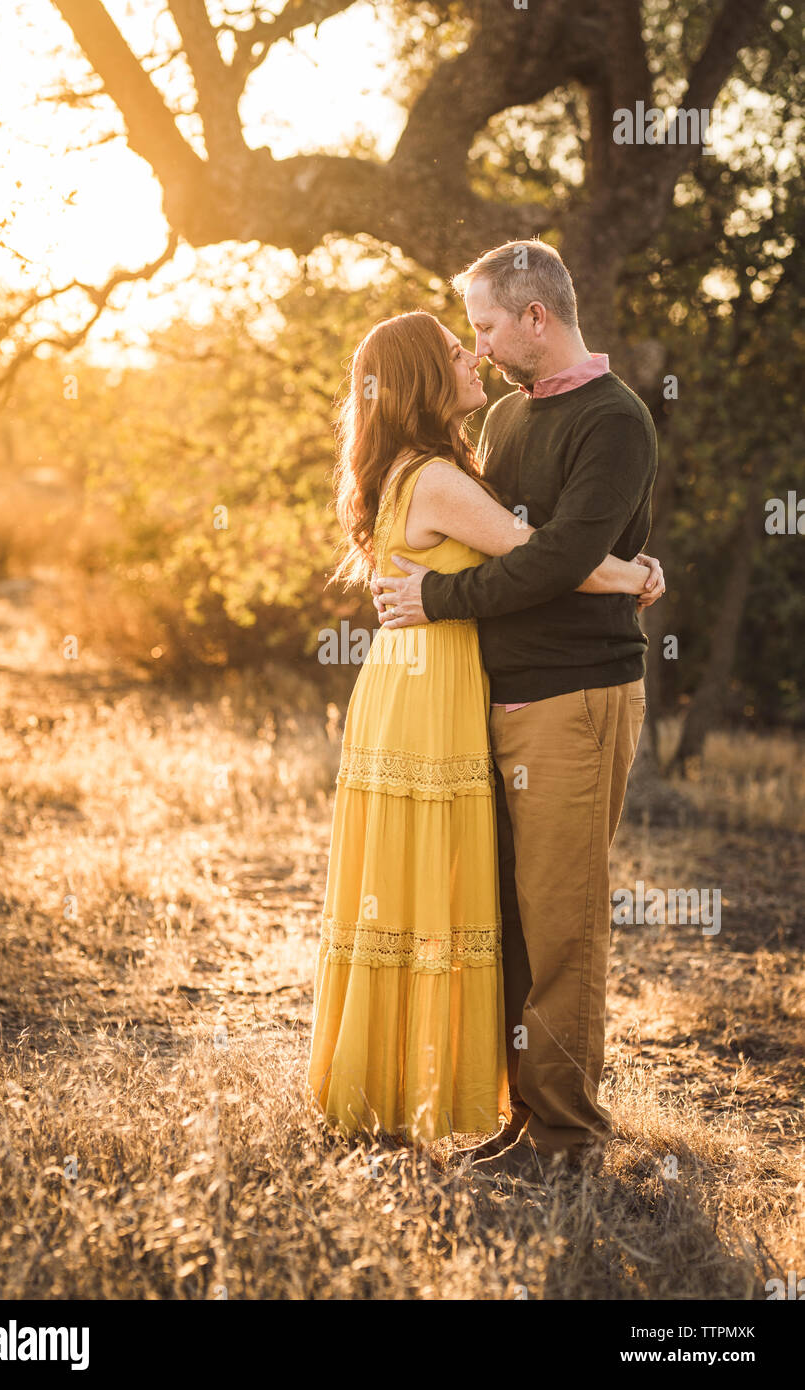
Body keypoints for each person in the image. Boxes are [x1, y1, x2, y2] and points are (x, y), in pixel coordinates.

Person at [307, 306, 663, 1150]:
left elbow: (530, 548)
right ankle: (493, 1112)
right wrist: (633, 576)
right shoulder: (435, 474)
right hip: (432, 689)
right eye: (455, 346)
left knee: (418, 895)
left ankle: (423, 1094)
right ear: (427, 381)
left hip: (422, 685)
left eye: (478, 330)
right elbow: (532, 549)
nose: (473, 354)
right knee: (442, 894)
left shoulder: (417, 464)